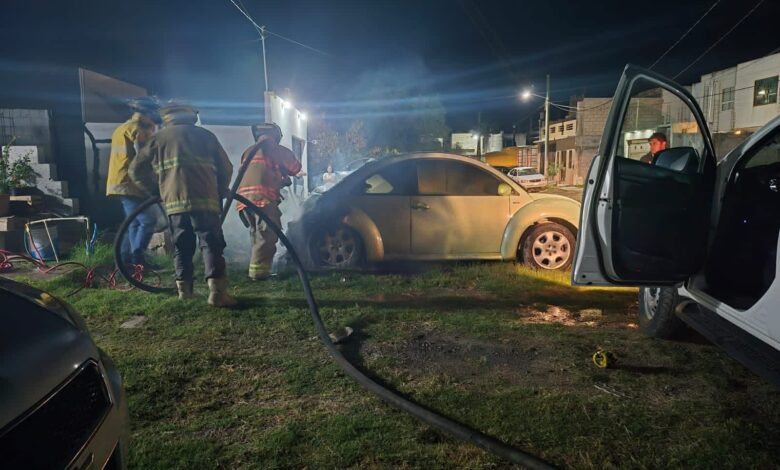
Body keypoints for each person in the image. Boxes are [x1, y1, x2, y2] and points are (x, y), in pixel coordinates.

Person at [129, 100, 237, 307]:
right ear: (191, 116)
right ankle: (217, 294)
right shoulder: (206, 136)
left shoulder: (157, 139)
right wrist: (222, 189)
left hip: (174, 203)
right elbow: (226, 167)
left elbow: (135, 171)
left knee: (182, 245)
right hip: (206, 201)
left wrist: (155, 191)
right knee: (211, 244)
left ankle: (184, 292)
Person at [236, 123, 302, 280]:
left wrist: (279, 174)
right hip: (262, 199)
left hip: (243, 201)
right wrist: (285, 173)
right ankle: (259, 274)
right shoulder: (278, 150)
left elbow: (259, 171)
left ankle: (255, 269)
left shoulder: (248, 151)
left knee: (257, 234)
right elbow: (296, 167)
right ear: (276, 136)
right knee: (268, 234)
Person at [106, 97, 160, 267]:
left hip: (120, 182)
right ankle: (137, 258)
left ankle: (124, 261)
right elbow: (142, 161)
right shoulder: (139, 131)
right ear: (147, 113)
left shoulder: (122, 128)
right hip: (132, 183)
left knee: (134, 223)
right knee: (147, 221)